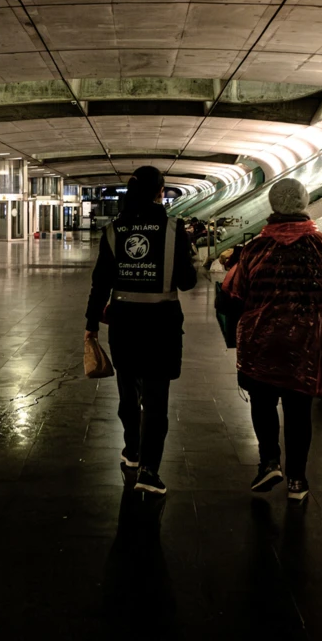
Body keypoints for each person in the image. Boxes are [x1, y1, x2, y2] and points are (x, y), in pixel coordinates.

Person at [222, 179, 322, 504]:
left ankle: (269, 462)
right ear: (304, 202)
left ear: (273, 205)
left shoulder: (254, 249)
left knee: (263, 403)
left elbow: (236, 291)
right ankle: (297, 479)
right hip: (308, 346)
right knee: (298, 411)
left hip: (262, 341)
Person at [85, 166, 198, 496]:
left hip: (124, 323)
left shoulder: (114, 229)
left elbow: (99, 284)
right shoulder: (174, 229)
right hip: (162, 324)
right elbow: (188, 282)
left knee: (128, 390)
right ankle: (150, 470)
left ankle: (132, 450)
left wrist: (91, 325)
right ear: (160, 191)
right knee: (156, 398)